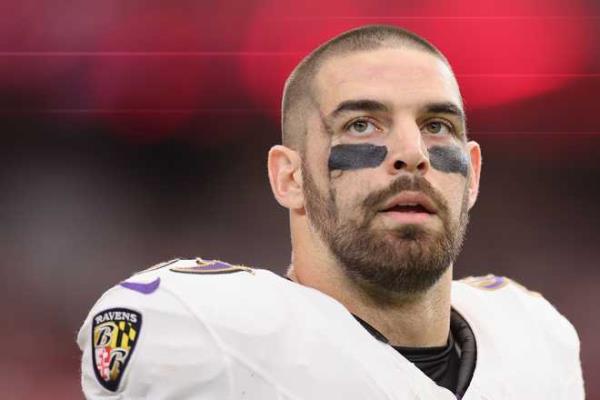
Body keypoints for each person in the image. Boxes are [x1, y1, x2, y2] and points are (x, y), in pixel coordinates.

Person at [77, 25, 584, 399]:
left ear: (471, 175)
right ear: (289, 178)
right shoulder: (202, 331)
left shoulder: (537, 340)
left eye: (437, 125)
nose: (413, 152)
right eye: (362, 125)